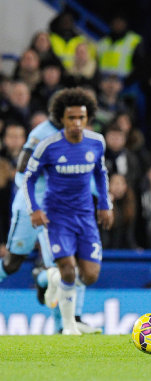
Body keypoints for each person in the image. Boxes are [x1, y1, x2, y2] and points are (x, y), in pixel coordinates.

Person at [23, 87, 113, 335]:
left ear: (87, 118)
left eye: (81, 118)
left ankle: (48, 279)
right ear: (61, 119)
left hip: (85, 216)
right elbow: (28, 178)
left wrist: (105, 204)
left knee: (90, 275)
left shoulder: (96, 142)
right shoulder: (48, 146)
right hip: (57, 217)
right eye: (71, 118)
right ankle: (69, 326)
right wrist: (35, 210)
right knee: (68, 270)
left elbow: (100, 173)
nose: (76, 123)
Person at [0, 115, 101, 334]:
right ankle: (42, 278)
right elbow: (22, 172)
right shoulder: (41, 134)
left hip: (59, 212)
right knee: (12, 263)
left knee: (69, 264)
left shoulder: (83, 143)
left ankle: (68, 322)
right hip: (30, 207)